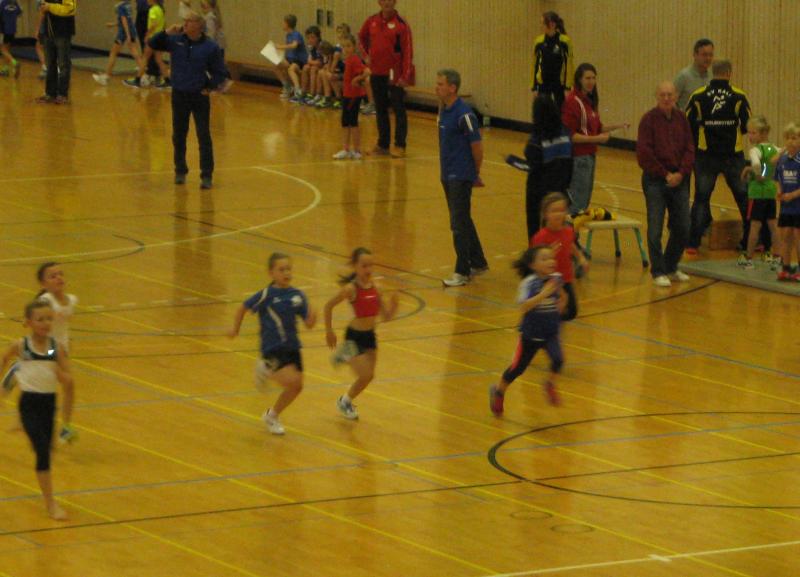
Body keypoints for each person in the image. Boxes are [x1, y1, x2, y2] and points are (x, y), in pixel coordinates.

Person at [228, 253, 316, 435]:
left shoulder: (298, 295)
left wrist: (313, 316)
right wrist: (235, 329)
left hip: (293, 347)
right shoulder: (266, 294)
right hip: (273, 347)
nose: (286, 273)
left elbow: (308, 323)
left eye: (288, 269)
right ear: (271, 273)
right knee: (289, 380)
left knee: (297, 386)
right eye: (281, 269)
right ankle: (265, 367)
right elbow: (242, 308)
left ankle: (272, 415)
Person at [1, 300, 73, 520]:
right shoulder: (22, 346)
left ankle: (49, 497)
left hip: (48, 405)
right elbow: (4, 358)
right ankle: (51, 504)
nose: (45, 323)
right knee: (42, 451)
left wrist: (67, 421)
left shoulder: (53, 347)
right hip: (29, 404)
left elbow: (67, 377)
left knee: (47, 451)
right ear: (28, 322)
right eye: (40, 319)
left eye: (49, 318)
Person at [149, 11, 225, 189]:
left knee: (203, 135)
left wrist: (210, 86)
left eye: (188, 21)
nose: (184, 23)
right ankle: (180, 170)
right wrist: (167, 31)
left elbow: (220, 71)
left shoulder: (210, 47)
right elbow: (152, 43)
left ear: (198, 25)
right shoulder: (176, 40)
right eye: (184, 20)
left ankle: (206, 175)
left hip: (199, 96)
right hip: (179, 94)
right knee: (179, 135)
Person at [488, 246, 565, 416]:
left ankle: (549, 384)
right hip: (531, 335)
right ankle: (498, 391)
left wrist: (560, 305)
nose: (550, 261)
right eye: (544, 259)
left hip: (550, 333)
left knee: (558, 360)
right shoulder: (528, 283)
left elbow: (561, 296)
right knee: (517, 369)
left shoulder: (556, 279)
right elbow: (524, 306)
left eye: (551, 258)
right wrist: (543, 294)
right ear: (533, 265)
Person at [324, 248, 399, 420]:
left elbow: (386, 317)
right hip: (354, 337)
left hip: (370, 336)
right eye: (364, 266)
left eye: (371, 265)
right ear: (355, 267)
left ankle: (345, 401)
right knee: (365, 374)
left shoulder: (377, 288)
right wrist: (329, 331)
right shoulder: (351, 289)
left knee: (368, 376)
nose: (368, 269)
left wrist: (394, 306)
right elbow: (328, 306)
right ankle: (345, 352)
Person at [685, 59, 751, 254]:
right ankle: (754, 240)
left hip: (706, 155)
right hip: (733, 155)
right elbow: (748, 125)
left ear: (713, 73)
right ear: (729, 73)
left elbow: (688, 123)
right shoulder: (739, 96)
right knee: (743, 196)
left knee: (701, 197)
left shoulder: (698, 95)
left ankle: (692, 243)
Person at [636, 81, 695, 287]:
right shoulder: (648, 120)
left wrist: (681, 173)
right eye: (663, 95)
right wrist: (665, 174)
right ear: (657, 96)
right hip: (656, 180)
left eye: (670, 94)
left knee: (683, 225)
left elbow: (690, 147)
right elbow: (644, 154)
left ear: (676, 96)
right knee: (655, 227)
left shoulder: (682, 119)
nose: (667, 98)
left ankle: (671, 266)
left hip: (680, 180)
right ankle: (658, 271)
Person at [436, 68, 488, 287]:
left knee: (457, 223)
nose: (437, 88)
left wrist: (474, 172)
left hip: (461, 174)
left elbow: (477, 146)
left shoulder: (464, 114)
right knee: (463, 219)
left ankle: (462, 271)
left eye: (440, 84)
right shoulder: (444, 111)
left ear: (452, 88)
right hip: (447, 173)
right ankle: (478, 261)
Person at [561, 63, 629, 215]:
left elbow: (597, 128)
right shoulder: (573, 101)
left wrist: (618, 126)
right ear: (579, 79)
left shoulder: (589, 101)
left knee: (584, 201)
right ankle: (568, 229)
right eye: (587, 78)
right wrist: (597, 138)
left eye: (593, 78)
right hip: (579, 157)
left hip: (590, 156)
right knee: (577, 202)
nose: (591, 81)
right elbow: (571, 136)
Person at [359, 0, 414, 156]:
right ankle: (383, 145)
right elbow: (361, 38)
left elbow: (408, 51)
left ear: (395, 2)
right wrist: (366, 56)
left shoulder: (401, 24)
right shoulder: (371, 21)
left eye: (391, 0)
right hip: (377, 72)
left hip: (395, 74)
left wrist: (405, 75)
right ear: (379, 2)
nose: (387, 2)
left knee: (398, 108)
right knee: (380, 108)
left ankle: (400, 145)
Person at [35, 262, 78, 443]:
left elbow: (63, 327)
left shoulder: (72, 300)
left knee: (69, 385)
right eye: (52, 276)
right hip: (49, 349)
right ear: (44, 283)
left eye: (60, 274)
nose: (58, 278)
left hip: (62, 349)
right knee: (61, 383)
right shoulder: (46, 301)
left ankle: (66, 426)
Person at [532, 192, 587, 320]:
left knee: (571, 312)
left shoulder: (568, 231)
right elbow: (534, 263)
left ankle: (555, 326)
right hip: (549, 281)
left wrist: (581, 258)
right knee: (553, 311)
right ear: (545, 214)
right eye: (554, 211)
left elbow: (570, 244)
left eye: (561, 210)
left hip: (566, 279)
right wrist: (548, 256)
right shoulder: (540, 237)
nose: (558, 214)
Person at [524, 94, 572, 239]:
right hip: (560, 186)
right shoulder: (565, 132)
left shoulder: (537, 138)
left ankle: (536, 249)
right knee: (556, 225)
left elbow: (532, 160)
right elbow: (570, 160)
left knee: (534, 225)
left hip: (538, 188)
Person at [738, 116, 779, 270]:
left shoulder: (755, 150)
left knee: (755, 226)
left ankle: (748, 258)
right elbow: (781, 155)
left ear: (763, 134)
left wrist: (757, 174)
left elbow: (756, 163)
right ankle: (776, 256)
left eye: (753, 133)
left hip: (757, 193)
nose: (749, 136)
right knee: (772, 225)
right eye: (749, 132)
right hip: (770, 191)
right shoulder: (774, 149)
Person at [332, 34, 369, 160]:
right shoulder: (348, 60)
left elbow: (367, 71)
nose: (346, 49)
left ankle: (357, 150)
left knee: (353, 123)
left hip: (354, 95)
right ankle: (346, 149)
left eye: (348, 46)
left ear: (354, 47)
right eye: (343, 46)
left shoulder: (354, 59)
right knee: (345, 122)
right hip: (347, 95)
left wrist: (357, 79)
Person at [92, 0, 143, 86]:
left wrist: (127, 35)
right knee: (135, 53)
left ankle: (106, 76)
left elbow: (124, 21)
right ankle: (143, 75)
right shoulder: (128, 5)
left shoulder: (120, 7)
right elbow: (126, 20)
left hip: (123, 33)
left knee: (113, 53)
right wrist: (113, 24)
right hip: (131, 30)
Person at [531, 10, 573, 111]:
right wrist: (534, 87)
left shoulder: (565, 41)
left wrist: (567, 87)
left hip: (559, 84)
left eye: (543, 23)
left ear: (552, 24)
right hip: (543, 83)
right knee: (543, 112)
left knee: (561, 112)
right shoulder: (539, 42)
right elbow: (534, 65)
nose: (541, 26)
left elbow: (569, 65)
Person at [773, 123, 800, 281]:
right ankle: (786, 267)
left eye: (794, 138)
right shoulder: (782, 160)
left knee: (797, 237)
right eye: (788, 138)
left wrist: (792, 195)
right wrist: (779, 190)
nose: (790, 141)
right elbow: (777, 179)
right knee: (785, 237)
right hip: (786, 208)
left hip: (798, 207)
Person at [36, 0, 76, 104]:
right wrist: (40, 30)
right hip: (48, 32)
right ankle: (50, 93)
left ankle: (62, 94)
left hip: (63, 32)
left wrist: (50, 7)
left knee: (63, 64)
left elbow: (70, 9)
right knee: (50, 64)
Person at [125, 0, 170, 88]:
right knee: (159, 60)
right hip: (159, 37)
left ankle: (137, 80)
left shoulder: (152, 10)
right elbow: (162, 23)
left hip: (153, 38)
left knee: (145, 58)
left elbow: (153, 24)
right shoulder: (160, 9)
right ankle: (168, 80)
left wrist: (147, 35)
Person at [199, 0, 232, 93]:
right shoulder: (213, 16)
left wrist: (207, 46)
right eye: (202, 6)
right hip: (218, 45)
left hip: (215, 46)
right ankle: (221, 83)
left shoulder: (210, 18)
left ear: (210, 7)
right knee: (217, 66)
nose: (202, 9)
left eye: (204, 7)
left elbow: (211, 34)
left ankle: (223, 81)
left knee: (214, 66)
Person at [674, 38, 714, 112]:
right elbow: (671, 101)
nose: (708, 58)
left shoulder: (713, 77)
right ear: (695, 55)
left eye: (710, 55)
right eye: (704, 55)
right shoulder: (683, 76)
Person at [274, 14, 307, 100]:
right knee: (277, 65)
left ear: (287, 24)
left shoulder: (296, 34)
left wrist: (280, 46)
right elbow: (288, 50)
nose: (282, 24)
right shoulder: (288, 35)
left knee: (291, 69)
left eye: (283, 23)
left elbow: (294, 45)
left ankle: (297, 90)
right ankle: (287, 86)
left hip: (299, 61)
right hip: (290, 59)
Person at [299, 25, 322, 104]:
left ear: (318, 37)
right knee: (305, 67)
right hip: (316, 65)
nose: (310, 40)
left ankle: (312, 94)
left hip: (324, 67)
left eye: (313, 37)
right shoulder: (312, 47)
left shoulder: (321, 46)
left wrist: (312, 62)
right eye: (308, 38)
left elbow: (320, 63)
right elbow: (309, 60)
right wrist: (312, 62)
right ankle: (303, 92)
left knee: (313, 69)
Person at [0, 0, 22, 78]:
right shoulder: (14, 2)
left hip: (4, 30)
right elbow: (19, 13)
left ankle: (15, 62)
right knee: (7, 50)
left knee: (3, 50)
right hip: (13, 29)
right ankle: (5, 69)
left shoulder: (2, 3)